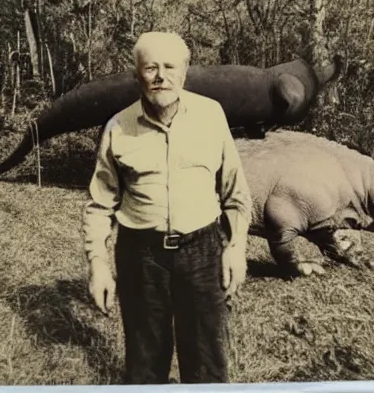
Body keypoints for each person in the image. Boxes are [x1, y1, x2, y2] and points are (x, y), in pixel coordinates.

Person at [81, 31, 252, 384]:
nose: (161, 76)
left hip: (203, 251)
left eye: (170, 66)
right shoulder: (118, 127)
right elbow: (100, 203)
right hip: (141, 255)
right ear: (137, 75)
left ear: (185, 72)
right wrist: (97, 263)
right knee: (145, 364)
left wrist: (236, 247)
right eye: (150, 68)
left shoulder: (211, 116)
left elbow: (235, 192)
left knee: (206, 363)